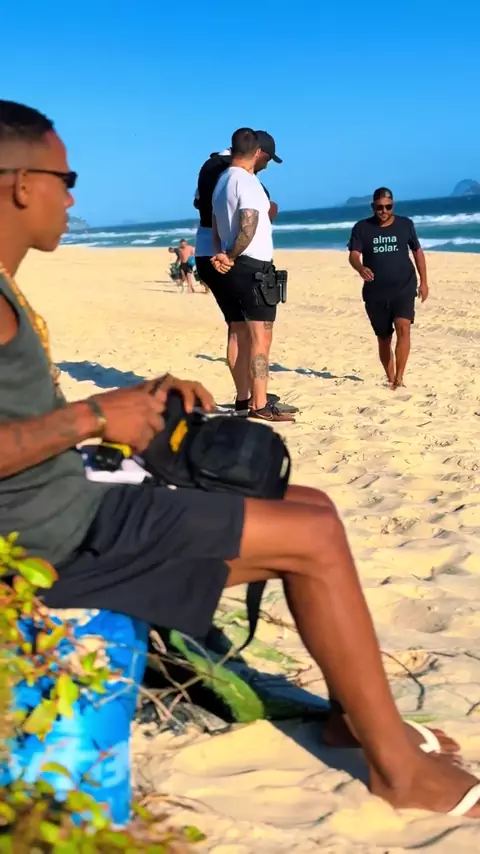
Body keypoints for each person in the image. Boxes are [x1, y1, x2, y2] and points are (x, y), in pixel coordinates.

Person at [2, 100, 480, 818]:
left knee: (311, 504)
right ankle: (397, 770)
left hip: (66, 501)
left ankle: (351, 718)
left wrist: (131, 403)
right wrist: (95, 417)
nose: (73, 198)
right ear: (19, 184)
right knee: (310, 536)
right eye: (64, 180)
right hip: (55, 540)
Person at [194, 132, 295, 416]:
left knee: (237, 331)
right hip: (247, 262)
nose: (267, 166)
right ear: (258, 152)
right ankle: (259, 403)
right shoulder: (246, 180)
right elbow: (248, 221)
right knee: (260, 335)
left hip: (217, 258)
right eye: (267, 160)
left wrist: (220, 252)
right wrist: (229, 254)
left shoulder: (217, 175)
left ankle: (243, 398)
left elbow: (213, 219)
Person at [348, 188, 428, 389]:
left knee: (404, 328)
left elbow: (417, 252)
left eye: (388, 207)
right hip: (376, 292)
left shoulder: (405, 224)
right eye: (379, 207)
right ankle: (390, 378)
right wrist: (360, 268)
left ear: (393, 205)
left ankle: (399, 379)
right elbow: (354, 255)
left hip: (404, 287)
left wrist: (424, 282)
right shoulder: (362, 228)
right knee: (384, 338)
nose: (384, 211)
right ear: (372, 206)